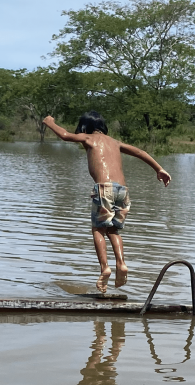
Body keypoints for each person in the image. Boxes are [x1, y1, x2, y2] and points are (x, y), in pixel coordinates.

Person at [43, 112, 171, 292]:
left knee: (98, 229)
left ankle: (105, 268)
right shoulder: (115, 142)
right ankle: (122, 264)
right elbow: (140, 152)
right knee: (113, 230)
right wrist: (159, 169)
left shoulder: (87, 137)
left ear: (84, 127)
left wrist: (50, 123)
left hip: (104, 188)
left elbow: (64, 135)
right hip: (122, 191)